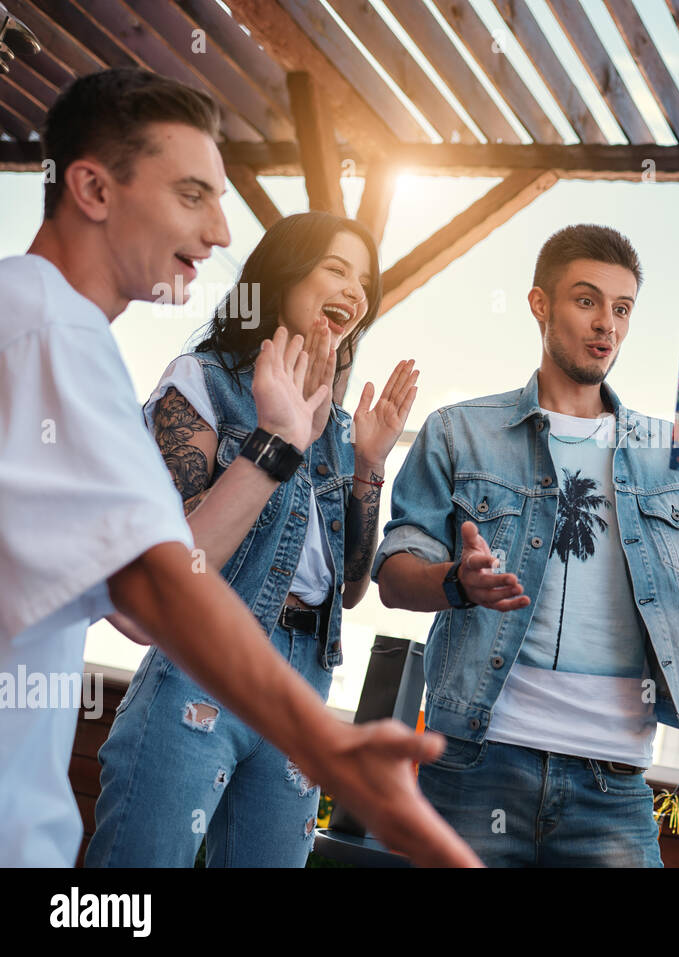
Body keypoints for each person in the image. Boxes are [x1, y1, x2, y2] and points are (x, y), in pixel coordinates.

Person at [0, 67, 478, 866]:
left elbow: (142, 588)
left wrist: (361, 462)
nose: (222, 231)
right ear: (91, 188)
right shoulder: (50, 333)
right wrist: (326, 741)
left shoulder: (60, 337)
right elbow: (159, 591)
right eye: (193, 195)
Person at [373, 224, 679, 866]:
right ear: (539, 304)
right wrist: (456, 582)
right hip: (475, 761)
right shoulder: (456, 432)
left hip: (612, 782)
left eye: (622, 308)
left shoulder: (677, 454)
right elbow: (392, 573)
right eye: (586, 300)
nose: (607, 323)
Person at [87, 211, 418, 866]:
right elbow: (170, 557)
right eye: (335, 268)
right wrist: (272, 439)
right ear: (283, 272)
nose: (355, 290)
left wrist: (369, 465)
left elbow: (350, 590)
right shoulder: (203, 381)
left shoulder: (337, 426)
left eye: (365, 280)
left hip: (302, 685)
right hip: (201, 669)